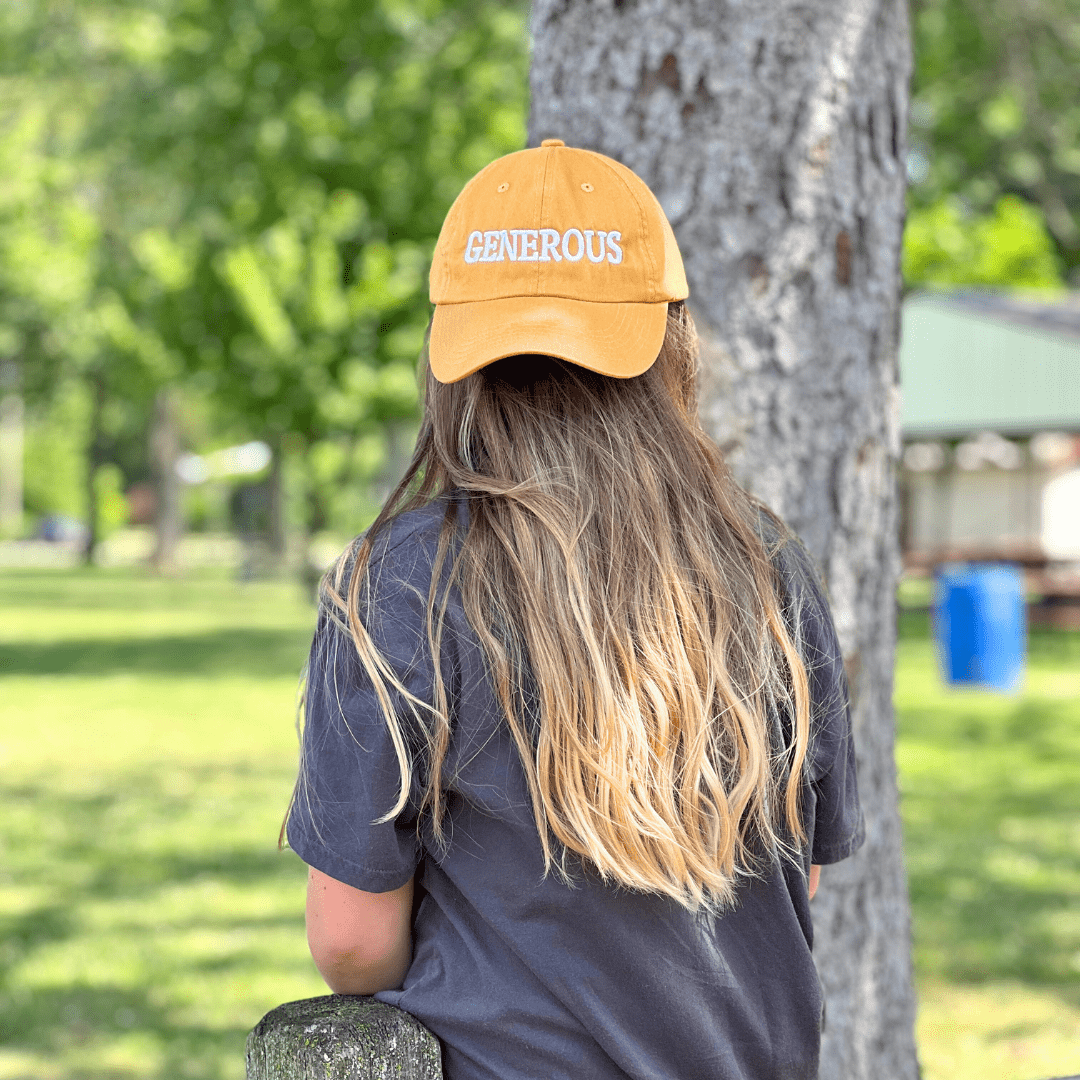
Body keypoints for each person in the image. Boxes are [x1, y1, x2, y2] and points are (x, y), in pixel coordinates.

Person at [284, 139, 864, 1080]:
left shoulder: (399, 584)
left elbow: (351, 942)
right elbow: (800, 870)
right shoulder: (767, 569)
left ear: (452, 354)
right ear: (670, 340)